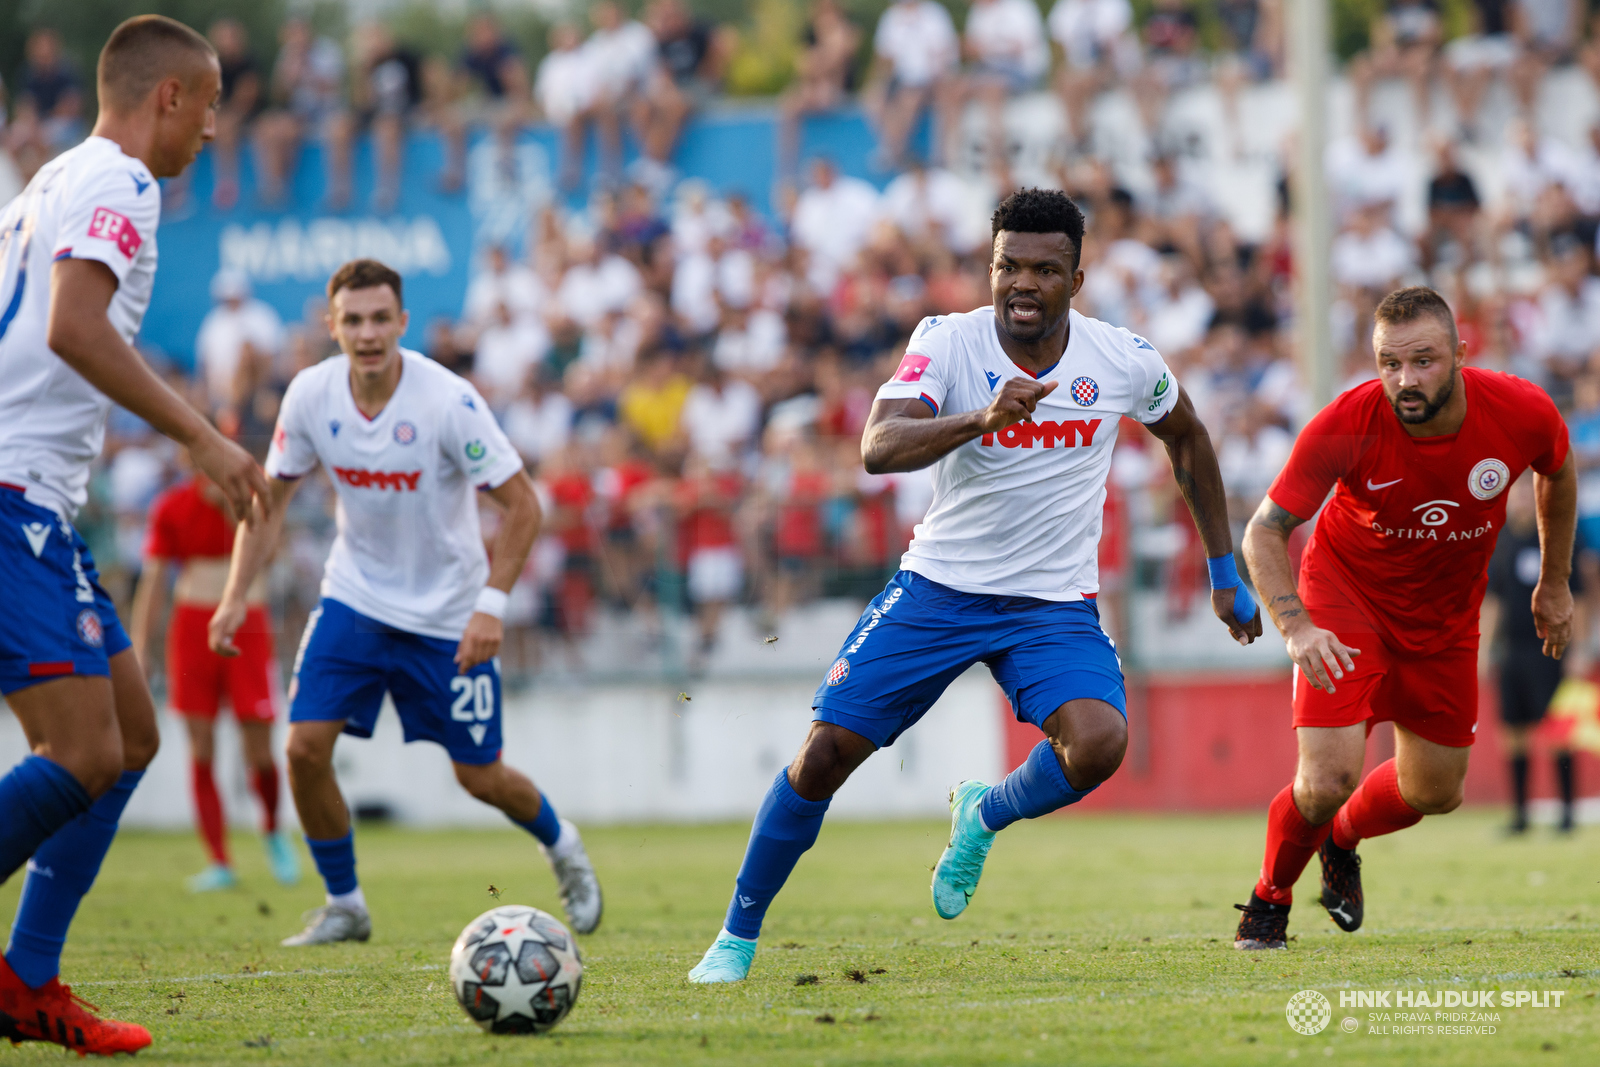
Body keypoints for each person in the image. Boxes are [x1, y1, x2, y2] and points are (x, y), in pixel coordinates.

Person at [686, 188, 1260, 983]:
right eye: (1007, 266)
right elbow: (879, 445)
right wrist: (980, 420)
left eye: (1043, 269)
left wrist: (1223, 571)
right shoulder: (947, 344)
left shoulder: (1121, 359)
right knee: (822, 756)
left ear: (1076, 280)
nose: (1022, 283)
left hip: (1051, 605)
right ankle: (735, 939)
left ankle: (981, 814)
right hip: (939, 590)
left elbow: (1188, 438)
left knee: (1099, 744)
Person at [0, 16, 268, 1055]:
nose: (210, 130)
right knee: (81, 750)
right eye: (206, 107)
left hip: (39, 506)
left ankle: (26, 981)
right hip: (13, 498)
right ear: (168, 96)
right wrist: (203, 436)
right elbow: (72, 324)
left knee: (130, 738)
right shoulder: (121, 181)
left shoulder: (50, 178)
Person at [210, 259, 603, 946]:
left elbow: (523, 507)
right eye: (353, 320)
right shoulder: (309, 396)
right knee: (303, 747)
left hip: (448, 615)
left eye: (380, 318)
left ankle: (562, 842)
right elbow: (266, 503)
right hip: (354, 599)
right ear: (331, 326)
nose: (367, 333)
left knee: (480, 776)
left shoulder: (446, 400)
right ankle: (345, 903)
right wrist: (235, 592)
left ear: (403, 323)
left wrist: (491, 606)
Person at [1232, 286, 1575, 950]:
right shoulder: (1348, 421)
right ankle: (1268, 899)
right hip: (1347, 598)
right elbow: (1262, 533)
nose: (1404, 379)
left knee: (1437, 790)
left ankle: (1342, 836)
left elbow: (1556, 473)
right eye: (1389, 362)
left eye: (1423, 361)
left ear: (1460, 354)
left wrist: (1554, 581)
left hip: (1446, 617)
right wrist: (1297, 625)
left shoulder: (1520, 410)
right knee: (1327, 777)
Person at [128, 460, 300, 891]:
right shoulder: (171, 506)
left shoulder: (248, 494)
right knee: (201, 745)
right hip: (191, 626)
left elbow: (273, 553)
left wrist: (233, 509)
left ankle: (273, 831)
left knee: (259, 744)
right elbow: (154, 581)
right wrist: (140, 645)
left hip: (248, 620)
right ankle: (219, 860)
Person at [1484, 474, 1583, 833]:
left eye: (1528, 493)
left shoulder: (1555, 538)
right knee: (1514, 733)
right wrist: (1483, 653)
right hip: (1511, 651)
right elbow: (1492, 601)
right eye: (1516, 495)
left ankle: (1567, 814)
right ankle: (1521, 815)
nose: (1522, 500)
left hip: (1552, 649)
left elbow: (1580, 596)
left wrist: (1578, 649)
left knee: (1558, 733)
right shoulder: (1501, 540)